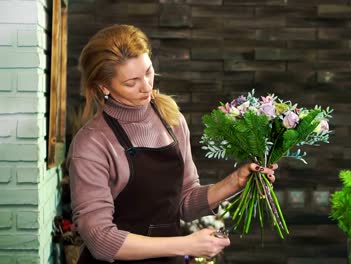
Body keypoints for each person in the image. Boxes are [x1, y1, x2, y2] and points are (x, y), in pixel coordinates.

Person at [67, 24, 277, 264]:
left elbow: (184, 202)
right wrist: (186, 244)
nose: (146, 86)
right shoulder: (92, 142)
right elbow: (100, 241)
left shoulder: (170, 119)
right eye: (131, 82)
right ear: (105, 86)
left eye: (148, 71)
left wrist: (234, 182)